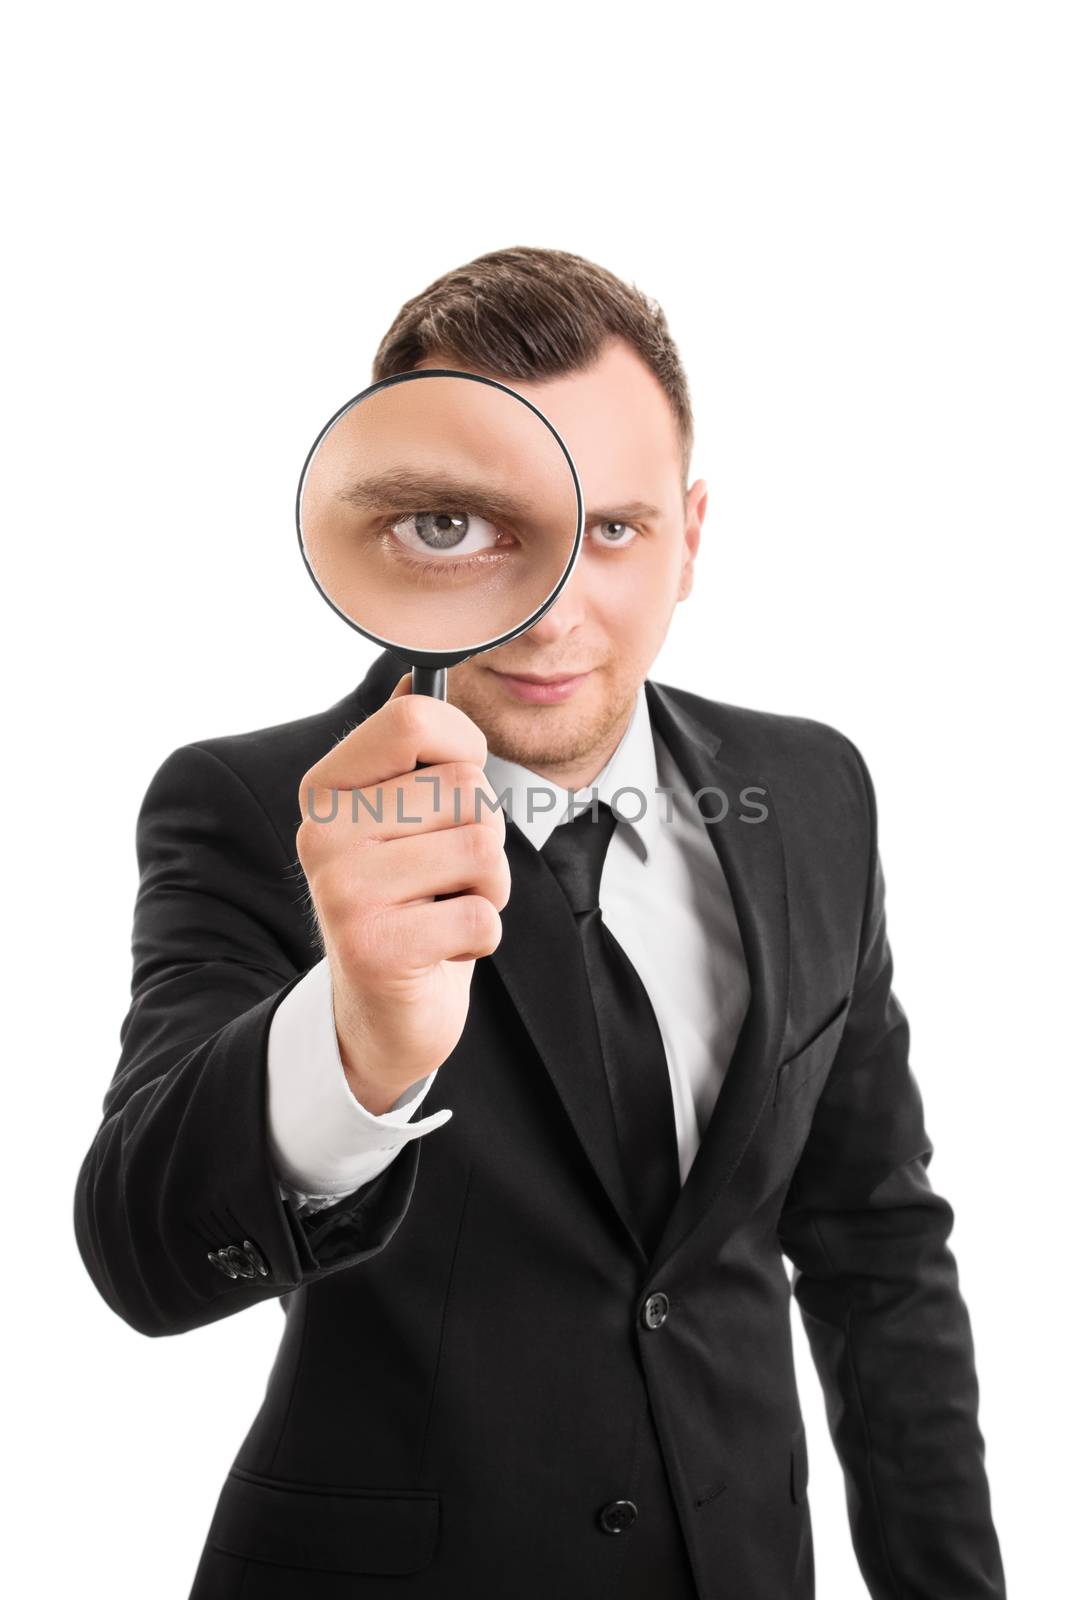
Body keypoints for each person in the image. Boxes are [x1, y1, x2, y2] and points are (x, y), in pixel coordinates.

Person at [74, 246, 1006, 1599]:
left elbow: (878, 1245)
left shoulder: (812, 792)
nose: (553, 608)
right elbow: (140, 1250)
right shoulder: (250, 805)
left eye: (612, 529)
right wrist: (354, 1044)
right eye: (462, 527)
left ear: (693, 537)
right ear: (384, 533)